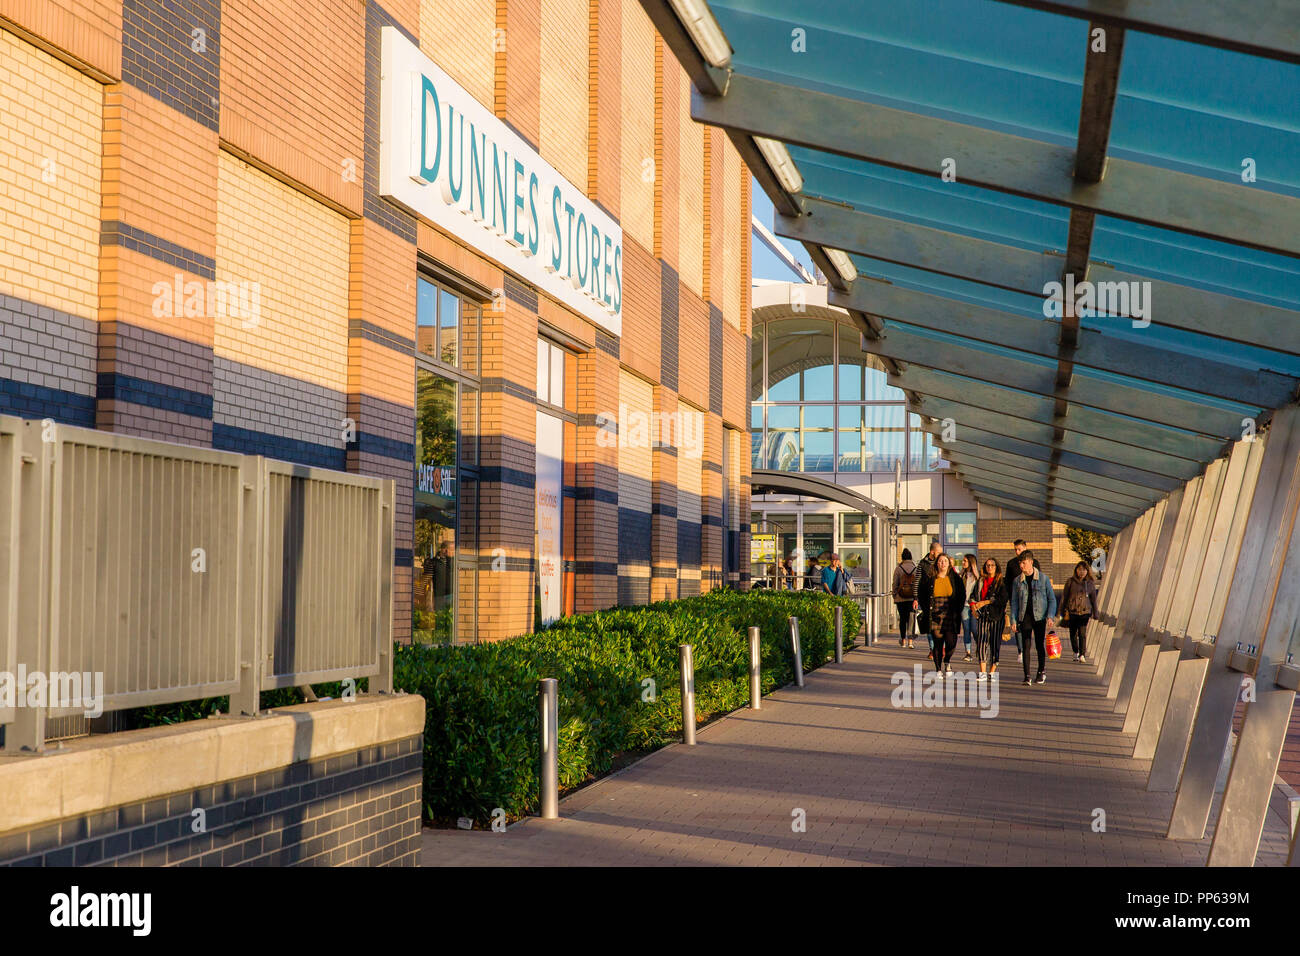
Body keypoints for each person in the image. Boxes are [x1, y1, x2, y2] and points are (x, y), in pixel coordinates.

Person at [1009, 550, 1057, 685]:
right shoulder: (1017, 581)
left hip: (1040, 616)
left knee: (1039, 645)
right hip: (1025, 616)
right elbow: (1014, 602)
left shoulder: (1043, 578)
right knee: (1026, 645)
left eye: (1024, 563)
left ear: (1031, 562)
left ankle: (1041, 672)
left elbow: (1052, 599)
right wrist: (1013, 620)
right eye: (1020, 563)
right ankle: (1027, 676)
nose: (1021, 566)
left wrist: (1050, 616)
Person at [917, 552, 965, 674]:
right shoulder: (930, 578)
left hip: (950, 614)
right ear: (936, 564)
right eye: (940, 561)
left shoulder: (956, 579)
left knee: (951, 642)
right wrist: (926, 609)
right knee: (937, 642)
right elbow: (921, 593)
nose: (942, 563)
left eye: (945, 561)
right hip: (935, 614)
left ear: (949, 564)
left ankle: (947, 660)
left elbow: (962, 596)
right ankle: (938, 669)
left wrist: (958, 610)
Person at [970, 557, 1008, 681]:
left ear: (996, 567)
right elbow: (972, 596)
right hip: (982, 616)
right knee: (982, 643)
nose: (989, 567)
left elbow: (1002, 599)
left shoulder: (1001, 582)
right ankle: (982, 673)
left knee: (995, 644)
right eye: (987, 565)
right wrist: (973, 608)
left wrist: (985, 602)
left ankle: (992, 672)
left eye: (992, 565)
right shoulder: (981, 581)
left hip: (996, 617)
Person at [1004, 540, 1039, 664]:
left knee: (1030, 626)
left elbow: (1038, 580)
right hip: (1017, 599)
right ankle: (1021, 651)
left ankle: (1028, 649)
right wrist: (1008, 599)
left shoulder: (1035, 563)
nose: (1017, 552)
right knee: (1018, 626)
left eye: (1019, 549)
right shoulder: (1011, 564)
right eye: (1015, 549)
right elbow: (1007, 583)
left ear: (1025, 548)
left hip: (1031, 600)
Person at [1061, 560, 1098, 663]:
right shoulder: (1070, 582)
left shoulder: (1090, 583)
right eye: (1079, 569)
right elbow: (1064, 597)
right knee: (1073, 633)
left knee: (1082, 633)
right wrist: (1061, 611)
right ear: (1076, 570)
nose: (1081, 572)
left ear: (1087, 571)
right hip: (1072, 612)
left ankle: (1082, 654)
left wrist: (1095, 613)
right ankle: (1075, 651)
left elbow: (1093, 600)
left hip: (1085, 612)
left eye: (1084, 570)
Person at [911, 540, 943, 657]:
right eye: (938, 552)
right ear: (932, 552)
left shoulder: (942, 563)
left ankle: (941, 647)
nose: (940, 554)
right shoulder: (922, 564)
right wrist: (915, 598)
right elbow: (917, 581)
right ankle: (933, 649)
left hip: (940, 598)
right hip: (926, 598)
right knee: (929, 625)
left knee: (940, 624)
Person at [893, 548, 919, 648]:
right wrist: (917, 597)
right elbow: (918, 584)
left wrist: (894, 595)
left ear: (902, 558)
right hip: (912, 598)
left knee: (903, 619)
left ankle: (903, 640)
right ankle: (910, 642)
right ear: (911, 557)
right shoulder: (915, 569)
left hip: (901, 598)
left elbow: (895, 583)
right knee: (911, 620)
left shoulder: (898, 569)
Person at [958, 553, 979, 663]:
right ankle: (968, 653)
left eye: (965, 561)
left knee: (974, 629)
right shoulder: (962, 575)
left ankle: (979, 647)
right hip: (964, 606)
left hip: (974, 606)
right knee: (966, 629)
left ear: (971, 562)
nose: (963, 562)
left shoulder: (977, 577)